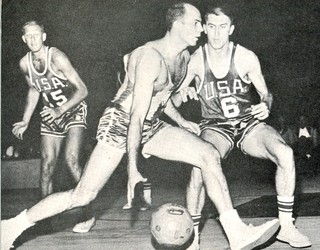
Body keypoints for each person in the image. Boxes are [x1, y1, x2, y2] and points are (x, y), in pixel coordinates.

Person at [1, 4, 279, 250]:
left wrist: (182, 121)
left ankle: (236, 232)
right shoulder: (149, 57)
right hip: (120, 123)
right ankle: (13, 226)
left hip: (150, 123)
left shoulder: (183, 57)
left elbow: (162, 98)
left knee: (208, 154)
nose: (201, 29)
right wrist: (133, 168)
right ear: (176, 25)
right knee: (82, 195)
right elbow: (135, 115)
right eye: (195, 23)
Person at [172, 4, 312, 249]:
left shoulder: (245, 56)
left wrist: (266, 105)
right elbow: (170, 100)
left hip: (247, 124)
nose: (217, 34)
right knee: (198, 166)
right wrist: (183, 92)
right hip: (216, 126)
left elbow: (266, 94)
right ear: (204, 28)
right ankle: (193, 236)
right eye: (212, 27)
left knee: (286, 153)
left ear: (231, 29)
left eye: (223, 27)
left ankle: (287, 227)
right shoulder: (195, 60)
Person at [12, 21, 95, 233]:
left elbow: (83, 90)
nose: (32, 39)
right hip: (51, 112)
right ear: (24, 39)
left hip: (73, 108)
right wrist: (25, 120)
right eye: (28, 36)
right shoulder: (24, 63)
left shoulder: (56, 56)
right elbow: (34, 90)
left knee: (71, 159)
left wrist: (61, 110)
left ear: (44, 36)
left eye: (36, 35)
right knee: (47, 165)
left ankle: (88, 213)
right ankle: (43, 219)